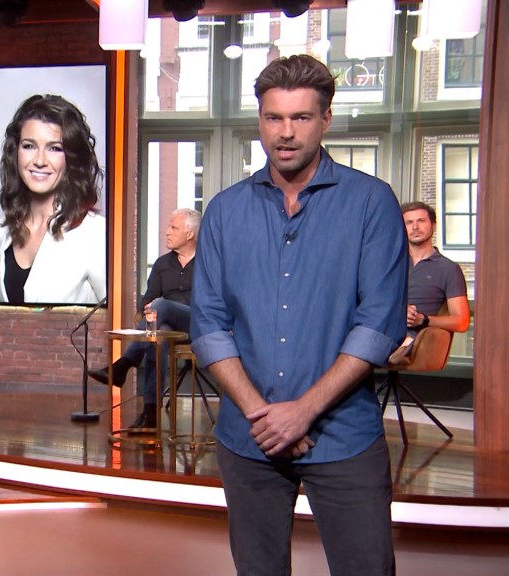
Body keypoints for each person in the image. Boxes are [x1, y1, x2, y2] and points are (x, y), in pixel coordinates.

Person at [190, 54, 406, 575]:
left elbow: (378, 324)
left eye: (301, 117)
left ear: (325, 119)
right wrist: (263, 416)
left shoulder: (371, 203)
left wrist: (302, 411)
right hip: (249, 439)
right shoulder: (224, 211)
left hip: (344, 436)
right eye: (274, 118)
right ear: (260, 120)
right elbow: (209, 324)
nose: (285, 133)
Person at [87, 208, 200, 428]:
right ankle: (150, 414)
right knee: (157, 337)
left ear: (189, 234)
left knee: (161, 306)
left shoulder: (207, 263)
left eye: (173, 228)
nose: (167, 232)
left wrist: (157, 306)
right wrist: (147, 308)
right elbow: (148, 299)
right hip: (168, 327)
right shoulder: (162, 264)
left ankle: (124, 364)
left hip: (195, 323)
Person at [0, 94, 106, 304]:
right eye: (29, 146)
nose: (40, 160)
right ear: (16, 152)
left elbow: (118, 317)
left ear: (71, 158)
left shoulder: (95, 233)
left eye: (55, 148)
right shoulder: (4, 229)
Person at [388, 201, 470, 365]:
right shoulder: (391, 264)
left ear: (433, 225)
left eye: (421, 221)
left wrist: (422, 319)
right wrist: (398, 311)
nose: (415, 227)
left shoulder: (448, 269)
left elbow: (461, 321)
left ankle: (400, 346)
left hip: (419, 338)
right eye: (409, 223)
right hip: (386, 326)